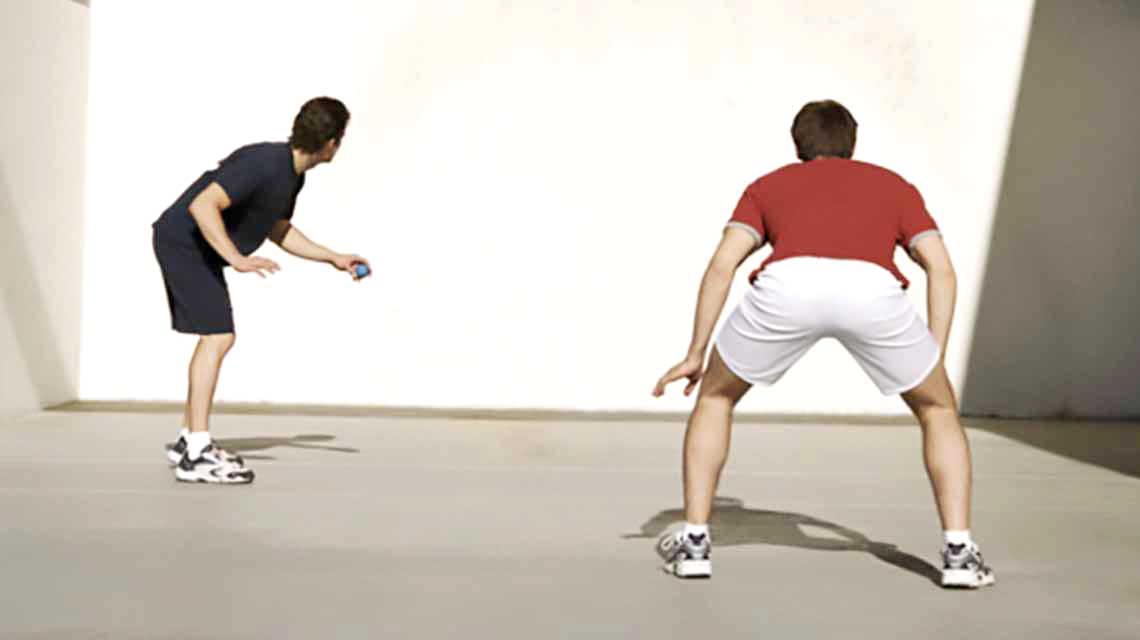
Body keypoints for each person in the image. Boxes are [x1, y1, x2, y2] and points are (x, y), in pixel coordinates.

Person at [652, 100, 995, 588]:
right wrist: (931, 352)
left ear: (798, 145)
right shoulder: (894, 186)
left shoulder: (767, 186)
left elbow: (722, 265)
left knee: (715, 395)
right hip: (872, 288)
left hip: (789, 283)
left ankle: (693, 544)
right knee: (938, 410)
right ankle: (959, 553)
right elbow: (940, 267)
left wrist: (695, 352)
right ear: (852, 144)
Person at [151, 97, 369, 484]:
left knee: (216, 337)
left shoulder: (290, 174)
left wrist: (331, 257)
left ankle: (189, 440)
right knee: (218, 337)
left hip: (195, 247)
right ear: (332, 142)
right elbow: (203, 206)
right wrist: (236, 258)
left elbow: (277, 228)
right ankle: (197, 451)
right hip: (182, 243)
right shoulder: (264, 162)